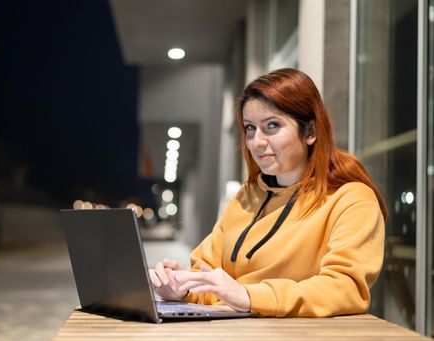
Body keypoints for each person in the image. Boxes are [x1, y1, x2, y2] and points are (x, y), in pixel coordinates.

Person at [148, 68, 387, 317]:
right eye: (250, 128)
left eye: (272, 125)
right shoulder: (247, 197)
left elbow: (345, 288)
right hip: (231, 334)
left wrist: (250, 297)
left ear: (311, 132)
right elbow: (210, 279)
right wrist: (183, 288)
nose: (256, 142)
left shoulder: (352, 199)